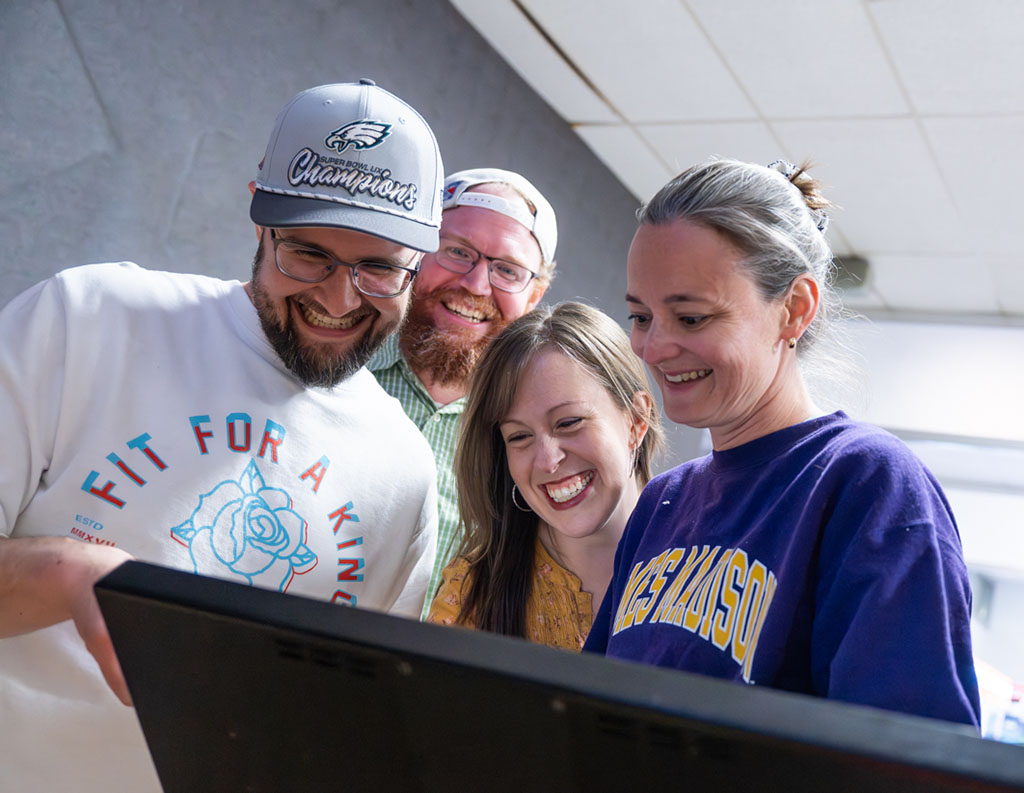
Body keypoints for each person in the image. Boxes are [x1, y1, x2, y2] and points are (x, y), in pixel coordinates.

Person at [0, 80, 444, 792]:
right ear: (258, 214)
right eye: (308, 253)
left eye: (379, 268)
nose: (339, 298)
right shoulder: (89, 316)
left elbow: (346, 724)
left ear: (419, 263)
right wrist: (72, 574)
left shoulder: (405, 472)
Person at [583, 157, 981, 726]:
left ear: (794, 309)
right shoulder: (662, 502)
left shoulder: (866, 482)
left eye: (691, 318)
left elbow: (909, 749)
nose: (653, 347)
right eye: (640, 316)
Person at [370, 168, 557, 613]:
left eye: (507, 270)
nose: (475, 285)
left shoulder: (535, 443)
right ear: (417, 248)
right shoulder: (337, 364)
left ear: (534, 296)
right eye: (457, 251)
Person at [426, 301, 662, 650]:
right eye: (519, 436)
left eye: (569, 423)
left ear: (636, 420)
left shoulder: (710, 569)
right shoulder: (470, 594)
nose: (548, 461)